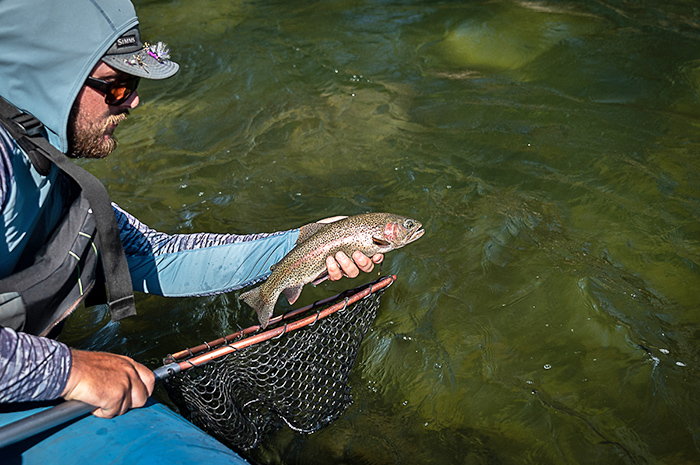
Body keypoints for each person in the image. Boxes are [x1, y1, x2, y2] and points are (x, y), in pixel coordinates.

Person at [0, 0, 382, 419]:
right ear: (48, 80)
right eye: (118, 85)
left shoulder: (56, 178)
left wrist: (306, 244)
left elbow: (160, 256)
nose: (132, 103)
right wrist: (70, 371)